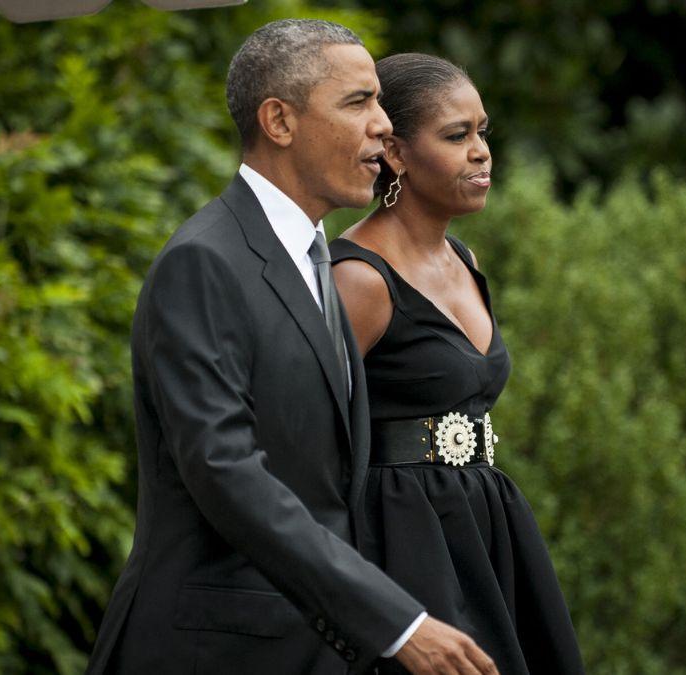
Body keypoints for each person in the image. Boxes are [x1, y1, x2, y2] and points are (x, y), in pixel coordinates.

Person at [86, 21, 496, 675]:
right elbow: (225, 470)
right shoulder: (203, 261)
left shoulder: (317, 257)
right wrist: (397, 622)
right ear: (279, 121)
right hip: (214, 650)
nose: (383, 125)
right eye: (358, 102)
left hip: (311, 646)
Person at [329, 53, 587, 675]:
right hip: (401, 539)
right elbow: (306, 439)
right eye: (456, 136)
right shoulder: (359, 279)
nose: (481, 153)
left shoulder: (464, 259)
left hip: (485, 525)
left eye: (482, 132)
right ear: (396, 153)